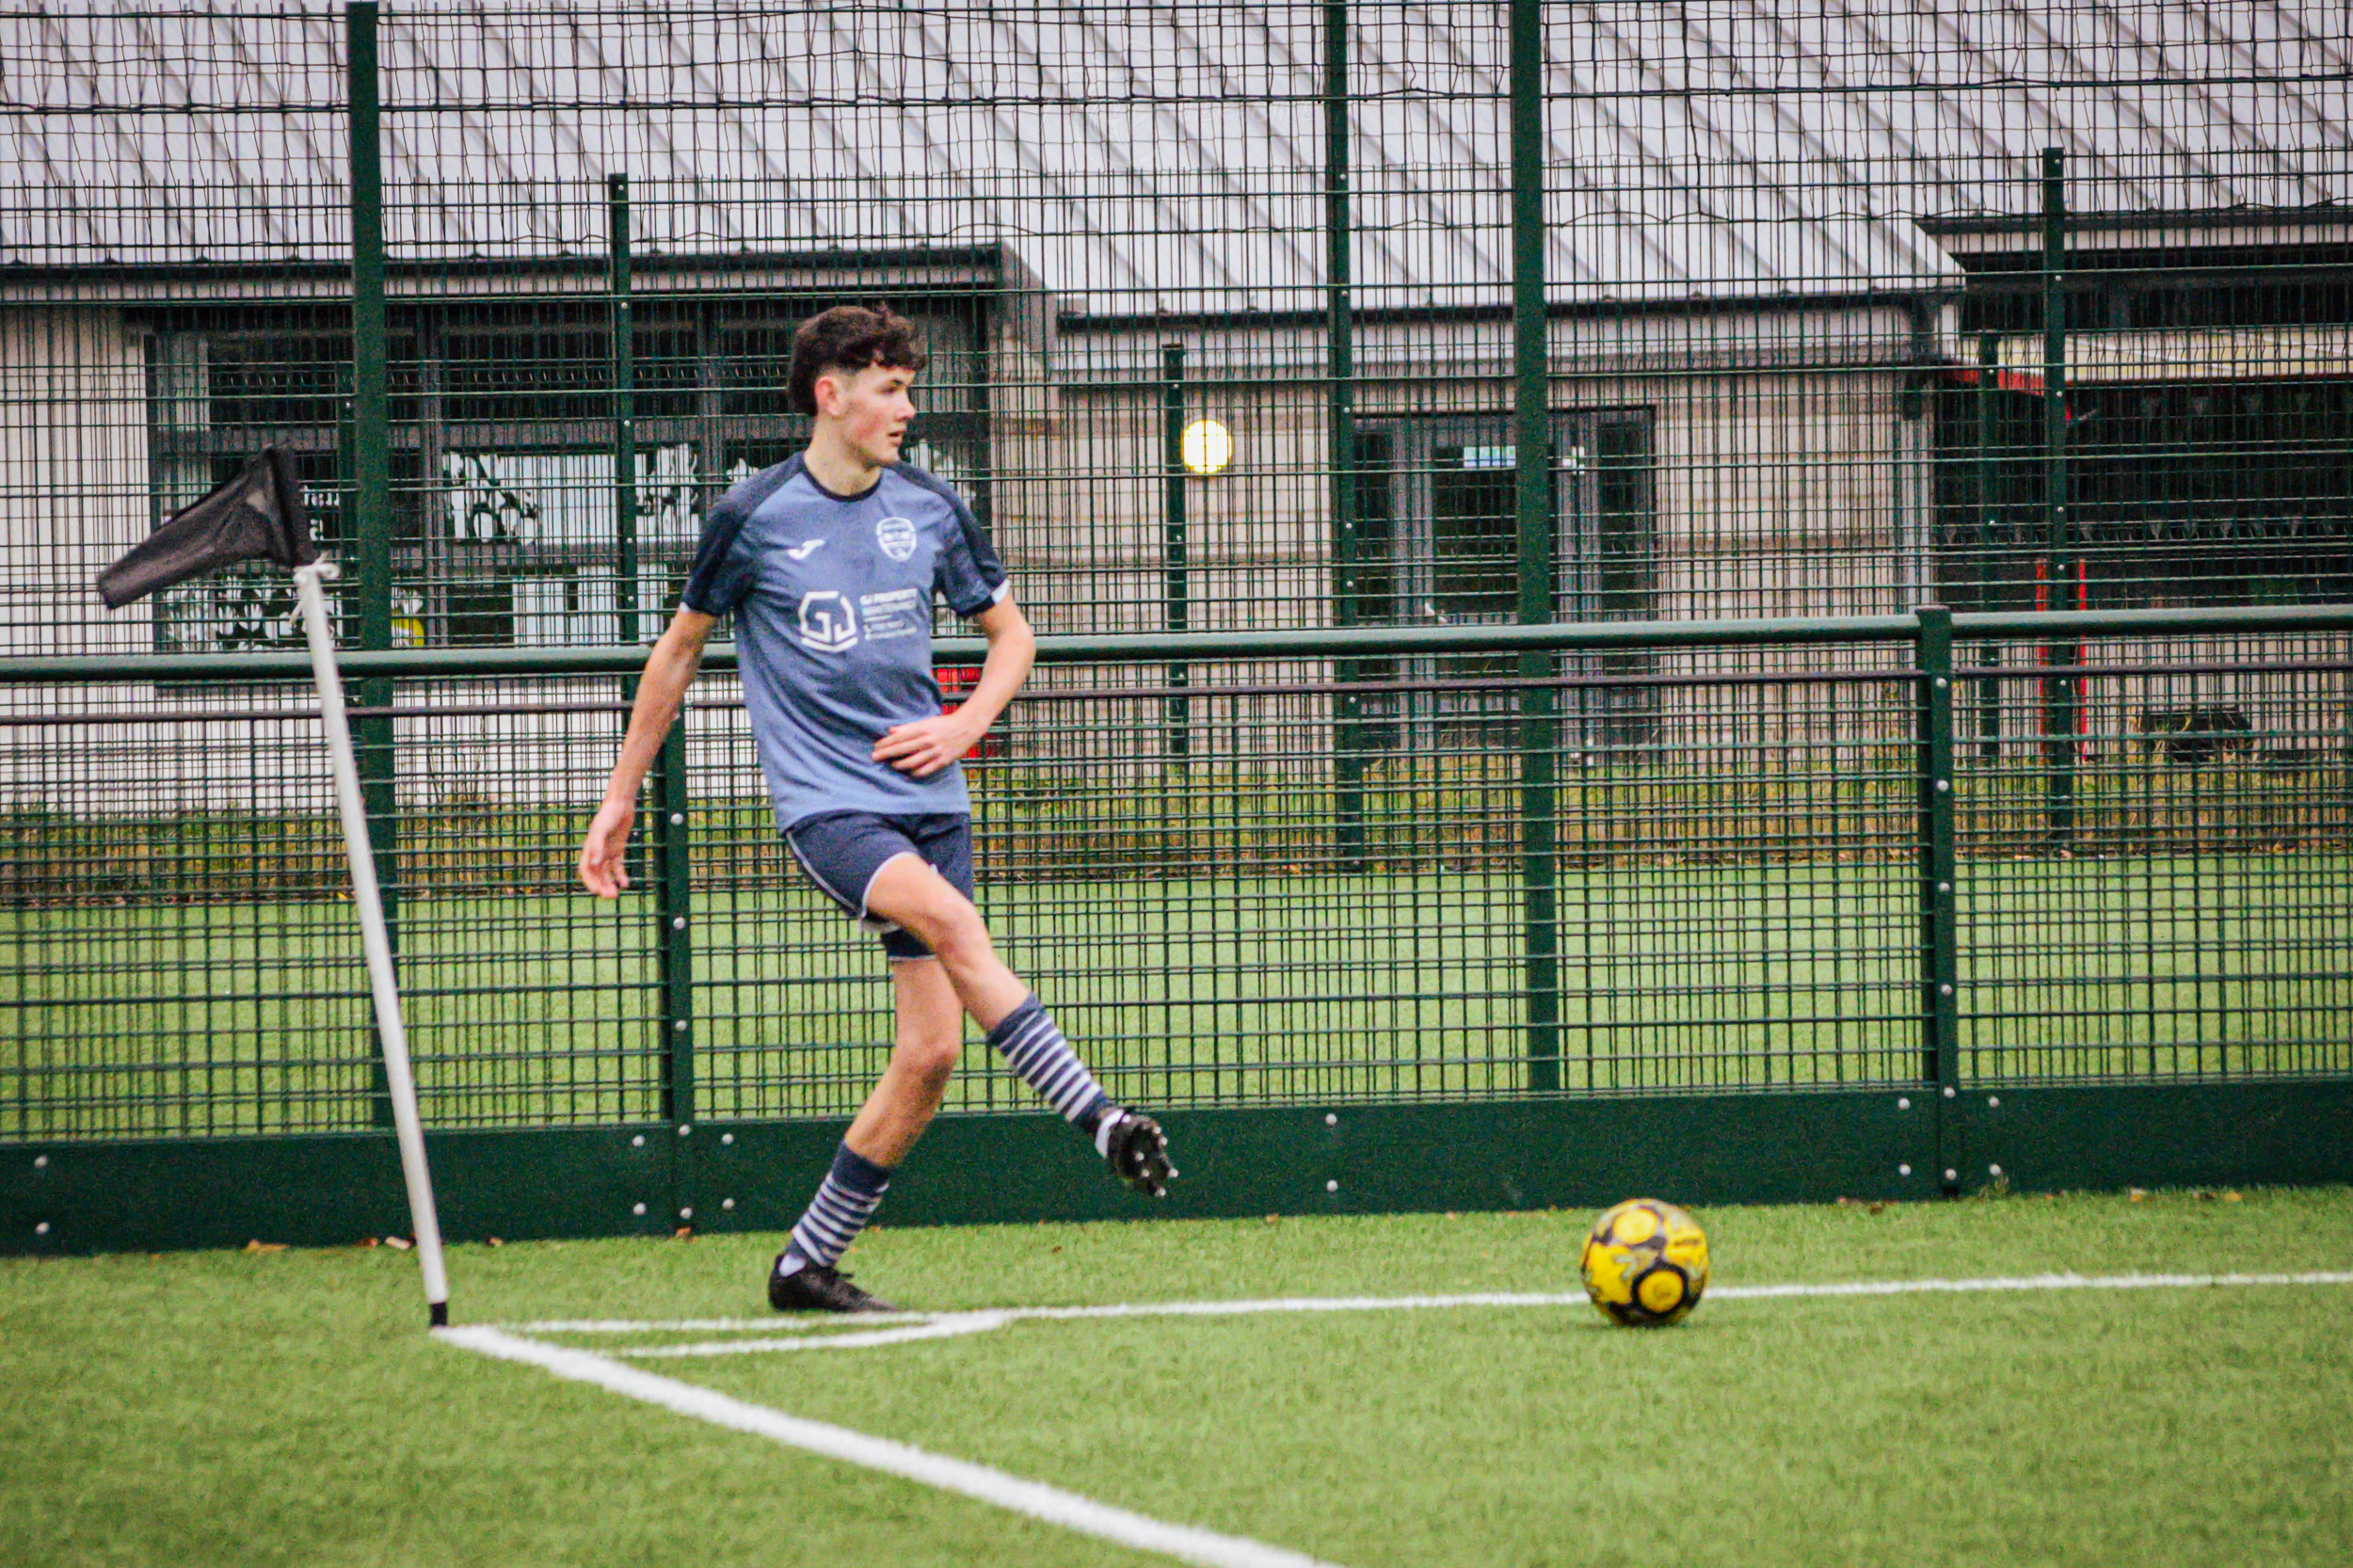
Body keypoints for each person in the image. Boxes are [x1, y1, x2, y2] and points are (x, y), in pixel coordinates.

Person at [579, 304, 1174, 1313]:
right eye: (889, 387)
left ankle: (804, 1262)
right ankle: (1102, 1120)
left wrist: (963, 725)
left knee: (932, 1052)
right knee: (949, 919)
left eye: (908, 385)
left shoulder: (932, 509)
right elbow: (676, 652)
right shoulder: (753, 517)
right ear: (831, 395)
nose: (907, 406)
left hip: (931, 801)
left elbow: (1012, 638)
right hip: (832, 810)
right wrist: (620, 795)